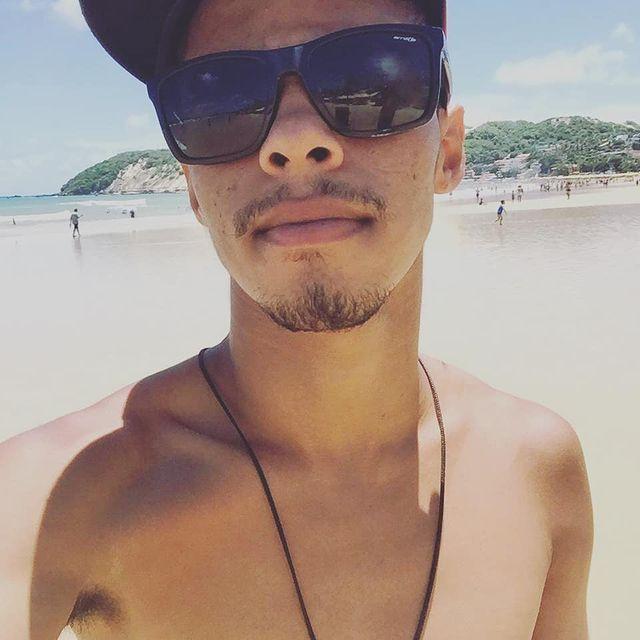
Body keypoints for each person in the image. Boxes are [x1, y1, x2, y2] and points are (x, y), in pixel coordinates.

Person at [1, 2, 593, 639]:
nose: (293, 140)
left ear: (448, 153)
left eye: (369, 79)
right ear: (193, 188)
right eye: (219, 99)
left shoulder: (535, 470)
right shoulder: (55, 500)